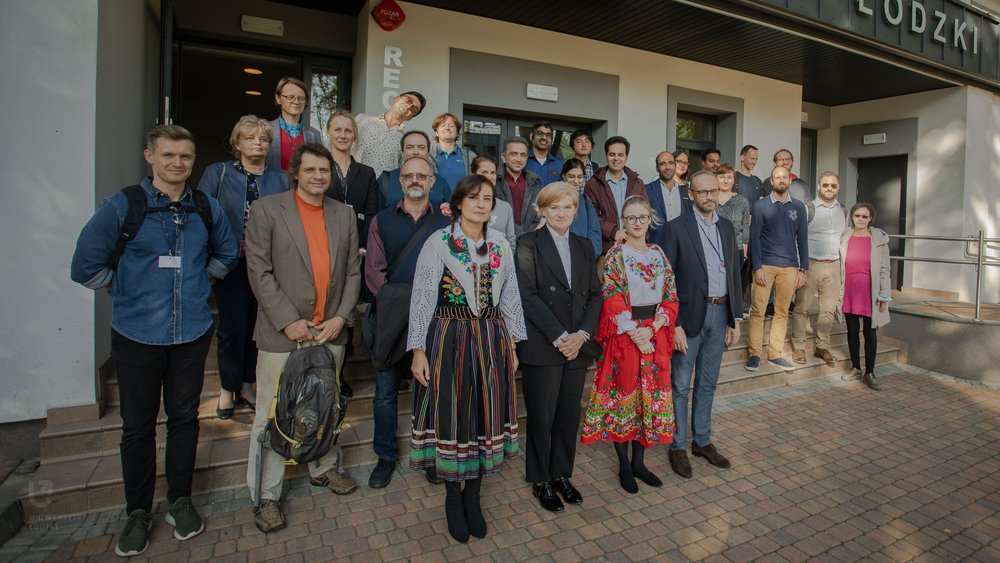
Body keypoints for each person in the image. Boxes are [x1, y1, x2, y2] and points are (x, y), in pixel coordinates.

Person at [71, 125, 239, 557]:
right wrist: (125, 289)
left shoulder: (206, 207)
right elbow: (85, 265)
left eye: (185, 156)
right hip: (136, 336)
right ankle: (137, 512)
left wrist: (202, 281)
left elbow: (227, 252)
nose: (177, 163)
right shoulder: (123, 206)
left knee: (185, 419)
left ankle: (180, 500)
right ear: (150, 156)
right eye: (168, 155)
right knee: (138, 426)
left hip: (191, 333)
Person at [244, 143, 362, 533]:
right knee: (273, 413)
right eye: (310, 170)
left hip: (329, 331)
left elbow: (352, 274)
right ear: (295, 172)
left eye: (324, 171)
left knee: (325, 406)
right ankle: (266, 495)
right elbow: (259, 271)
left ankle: (324, 469)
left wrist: (342, 316)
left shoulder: (343, 215)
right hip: (285, 333)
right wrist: (287, 320)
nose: (318, 177)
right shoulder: (266, 210)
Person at [408, 175, 527, 543]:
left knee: (482, 415)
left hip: (490, 338)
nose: (480, 204)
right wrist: (418, 350)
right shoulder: (439, 242)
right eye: (473, 198)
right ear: (458, 202)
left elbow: (510, 297)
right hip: (449, 338)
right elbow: (423, 298)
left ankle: (473, 497)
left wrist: (514, 345)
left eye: (487, 198)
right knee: (453, 414)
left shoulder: (500, 246)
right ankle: (451, 497)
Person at [581, 195, 679, 494]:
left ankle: (639, 462)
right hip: (625, 337)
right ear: (624, 221)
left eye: (642, 217)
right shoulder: (615, 256)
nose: (637, 223)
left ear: (650, 219)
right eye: (631, 218)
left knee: (647, 400)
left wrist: (655, 328)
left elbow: (671, 296)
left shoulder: (659, 254)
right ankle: (624, 465)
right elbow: (611, 297)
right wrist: (635, 332)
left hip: (655, 335)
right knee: (625, 398)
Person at [516, 182, 602, 513]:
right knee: (542, 417)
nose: (561, 213)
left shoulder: (583, 246)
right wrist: (560, 336)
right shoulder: (528, 243)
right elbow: (528, 295)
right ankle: (540, 480)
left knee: (567, 417)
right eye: (554, 207)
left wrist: (580, 335)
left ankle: (561, 474)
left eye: (567, 207)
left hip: (576, 346)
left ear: (575, 210)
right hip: (544, 345)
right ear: (542, 210)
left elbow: (594, 294)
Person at [365, 156, 450, 489]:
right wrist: (401, 302)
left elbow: (452, 270)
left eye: (422, 175)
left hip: (434, 322)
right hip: (391, 318)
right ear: (400, 182)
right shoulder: (381, 221)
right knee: (385, 393)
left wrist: (428, 306)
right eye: (408, 176)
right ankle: (385, 456)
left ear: (432, 181)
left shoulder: (446, 223)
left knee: (428, 389)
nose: (415, 180)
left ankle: (429, 454)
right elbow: (374, 272)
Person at [197, 116, 288, 420]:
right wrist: (207, 263)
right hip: (232, 262)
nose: (257, 143)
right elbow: (202, 216)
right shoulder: (218, 173)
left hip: (268, 264)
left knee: (256, 329)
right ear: (237, 143)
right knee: (231, 329)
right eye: (250, 138)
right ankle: (227, 388)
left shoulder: (280, 178)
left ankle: (248, 384)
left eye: (262, 139)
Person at [663, 170, 742, 479]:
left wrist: (735, 317)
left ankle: (702, 441)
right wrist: (676, 324)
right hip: (689, 316)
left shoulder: (727, 228)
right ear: (691, 195)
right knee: (680, 385)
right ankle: (677, 446)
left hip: (721, 313)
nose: (709, 196)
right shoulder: (675, 229)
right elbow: (666, 281)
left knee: (707, 383)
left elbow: (735, 272)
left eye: (713, 191)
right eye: (702, 191)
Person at [745, 166, 809, 372]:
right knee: (758, 311)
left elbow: (803, 240)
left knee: (782, 312)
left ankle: (774, 354)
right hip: (765, 265)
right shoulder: (761, 205)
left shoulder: (799, 207)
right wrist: (757, 267)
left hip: (790, 266)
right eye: (777, 178)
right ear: (771, 182)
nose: (781, 181)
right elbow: (754, 238)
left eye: (784, 177)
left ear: (789, 180)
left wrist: (803, 269)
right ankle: (754, 354)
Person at [791, 172, 848, 366]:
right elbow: (797, 237)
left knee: (828, 310)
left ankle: (822, 346)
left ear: (838, 187)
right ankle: (799, 346)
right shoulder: (809, 209)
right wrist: (800, 267)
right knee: (802, 308)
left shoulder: (843, 210)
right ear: (818, 186)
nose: (829, 189)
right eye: (825, 185)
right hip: (811, 264)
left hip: (833, 266)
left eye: (833, 186)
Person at [838, 203, 891, 390]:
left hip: (870, 291)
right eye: (857, 215)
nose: (860, 219)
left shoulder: (878, 240)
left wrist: (884, 296)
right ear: (852, 217)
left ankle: (870, 372)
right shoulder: (845, 236)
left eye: (864, 216)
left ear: (870, 219)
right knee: (852, 331)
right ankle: (855, 368)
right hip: (850, 290)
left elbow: (885, 269)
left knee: (870, 333)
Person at [324, 110, 378, 250]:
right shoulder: (319, 169)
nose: (343, 135)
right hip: (324, 244)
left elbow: (371, 213)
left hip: (357, 249)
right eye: (337, 130)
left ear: (354, 136)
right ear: (329, 133)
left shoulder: (367, 173)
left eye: (348, 131)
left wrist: (362, 244)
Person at [583, 136, 646, 255]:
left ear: (626, 157)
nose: (616, 158)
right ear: (606, 156)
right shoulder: (593, 184)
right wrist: (613, 232)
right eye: (612, 154)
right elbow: (591, 215)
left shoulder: (637, 183)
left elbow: (646, 214)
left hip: (634, 247)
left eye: (620, 155)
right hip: (606, 249)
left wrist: (640, 238)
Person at [354, 91, 426, 176]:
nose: (409, 106)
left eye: (414, 109)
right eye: (408, 100)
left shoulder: (406, 141)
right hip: (352, 184)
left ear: (410, 118)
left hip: (381, 188)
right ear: (396, 98)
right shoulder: (361, 120)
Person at [376, 130, 452, 210]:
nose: (416, 152)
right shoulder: (385, 180)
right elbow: (375, 217)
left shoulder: (440, 182)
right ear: (402, 152)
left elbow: (449, 217)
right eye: (410, 147)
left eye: (421, 147)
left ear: (428, 152)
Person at [714, 164, 751, 310]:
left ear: (734, 180)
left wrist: (745, 253)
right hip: (714, 246)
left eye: (729, 177)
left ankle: (733, 315)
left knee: (733, 285)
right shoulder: (711, 199)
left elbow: (745, 227)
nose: (725, 180)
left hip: (736, 248)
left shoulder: (742, 201)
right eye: (722, 177)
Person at [266, 77, 322, 172]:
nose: (296, 102)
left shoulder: (314, 134)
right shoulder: (265, 130)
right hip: (273, 186)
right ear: (278, 98)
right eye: (290, 97)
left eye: (301, 98)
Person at [494, 137, 543, 235]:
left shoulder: (535, 183)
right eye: (513, 154)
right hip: (500, 240)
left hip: (529, 241)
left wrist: (529, 236)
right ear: (503, 157)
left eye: (523, 155)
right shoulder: (494, 181)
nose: (519, 159)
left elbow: (539, 214)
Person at [471, 154, 517, 249]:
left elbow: (511, 243)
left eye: (493, 172)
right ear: (473, 175)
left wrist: (501, 262)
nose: (489, 177)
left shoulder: (505, 208)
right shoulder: (465, 204)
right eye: (484, 172)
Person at [646, 150, 689, 249]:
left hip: (680, 248)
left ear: (675, 165)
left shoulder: (685, 192)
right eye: (662, 164)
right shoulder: (647, 190)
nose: (667, 167)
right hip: (655, 248)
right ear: (657, 168)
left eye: (671, 163)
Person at [559, 158, 602, 255]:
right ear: (564, 176)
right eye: (571, 176)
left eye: (579, 177)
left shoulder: (586, 201)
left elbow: (594, 231)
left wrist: (591, 255)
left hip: (584, 257)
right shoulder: (555, 200)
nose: (576, 181)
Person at [431, 112, 477, 189]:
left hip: (461, 200)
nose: (447, 128)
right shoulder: (427, 155)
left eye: (451, 126)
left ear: (457, 133)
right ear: (436, 132)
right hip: (436, 201)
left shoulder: (470, 156)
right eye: (443, 125)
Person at [525, 121, 565, 186]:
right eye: (540, 134)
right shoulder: (522, 161)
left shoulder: (560, 164)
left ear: (552, 140)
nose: (544, 137)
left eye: (548, 135)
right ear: (531, 136)